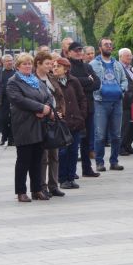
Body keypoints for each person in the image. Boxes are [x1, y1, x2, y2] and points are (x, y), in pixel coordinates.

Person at [6, 53, 53, 202]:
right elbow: (19, 100)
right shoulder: (13, 82)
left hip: (39, 124)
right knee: (23, 160)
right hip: (24, 125)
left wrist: (46, 109)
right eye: (24, 64)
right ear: (18, 66)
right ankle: (21, 192)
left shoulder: (35, 80)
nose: (27, 66)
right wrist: (39, 108)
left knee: (37, 159)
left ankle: (37, 190)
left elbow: (48, 96)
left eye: (29, 63)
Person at [90, 37, 128, 171]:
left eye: (110, 44)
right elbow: (91, 81)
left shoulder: (117, 64)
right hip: (100, 102)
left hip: (117, 102)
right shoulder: (93, 64)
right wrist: (101, 89)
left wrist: (121, 89)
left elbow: (124, 80)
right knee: (100, 135)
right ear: (100, 48)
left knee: (116, 135)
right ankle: (99, 162)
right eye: (106, 44)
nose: (109, 46)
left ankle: (114, 161)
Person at [34, 52, 66, 198]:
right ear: (38, 64)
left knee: (55, 154)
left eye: (51, 64)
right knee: (43, 156)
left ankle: (54, 185)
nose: (50, 66)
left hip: (55, 120)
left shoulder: (51, 78)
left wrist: (61, 112)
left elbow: (60, 97)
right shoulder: (32, 79)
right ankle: (42, 186)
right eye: (47, 64)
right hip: (41, 120)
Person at [52, 58, 87, 190]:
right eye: (54, 66)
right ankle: (62, 179)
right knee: (63, 152)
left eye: (58, 66)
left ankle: (71, 177)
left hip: (75, 121)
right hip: (61, 123)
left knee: (73, 151)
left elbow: (82, 98)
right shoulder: (52, 82)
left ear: (66, 69)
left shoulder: (74, 81)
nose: (55, 68)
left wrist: (81, 115)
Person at [67, 41, 101, 176]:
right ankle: (71, 170)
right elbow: (71, 83)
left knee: (87, 140)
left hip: (89, 107)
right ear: (69, 52)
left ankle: (87, 169)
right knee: (73, 141)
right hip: (74, 109)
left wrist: (82, 83)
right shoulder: (68, 67)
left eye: (80, 50)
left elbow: (97, 83)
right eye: (76, 50)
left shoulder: (87, 67)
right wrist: (87, 80)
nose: (78, 53)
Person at [118, 48, 133, 156]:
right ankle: (121, 147)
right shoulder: (118, 67)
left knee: (131, 125)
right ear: (120, 57)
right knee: (124, 125)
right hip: (125, 100)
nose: (130, 57)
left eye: (130, 55)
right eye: (127, 56)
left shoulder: (130, 68)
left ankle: (128, 145)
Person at [0, 55, 15, 146]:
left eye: (11, 60)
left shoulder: (16, 72)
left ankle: (11, 139)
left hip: (14, 100)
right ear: (3, 62)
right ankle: (4, 137)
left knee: (13, 119)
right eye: (7, 61)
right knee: (3, 119)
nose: (9, 62)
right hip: (2, 100)